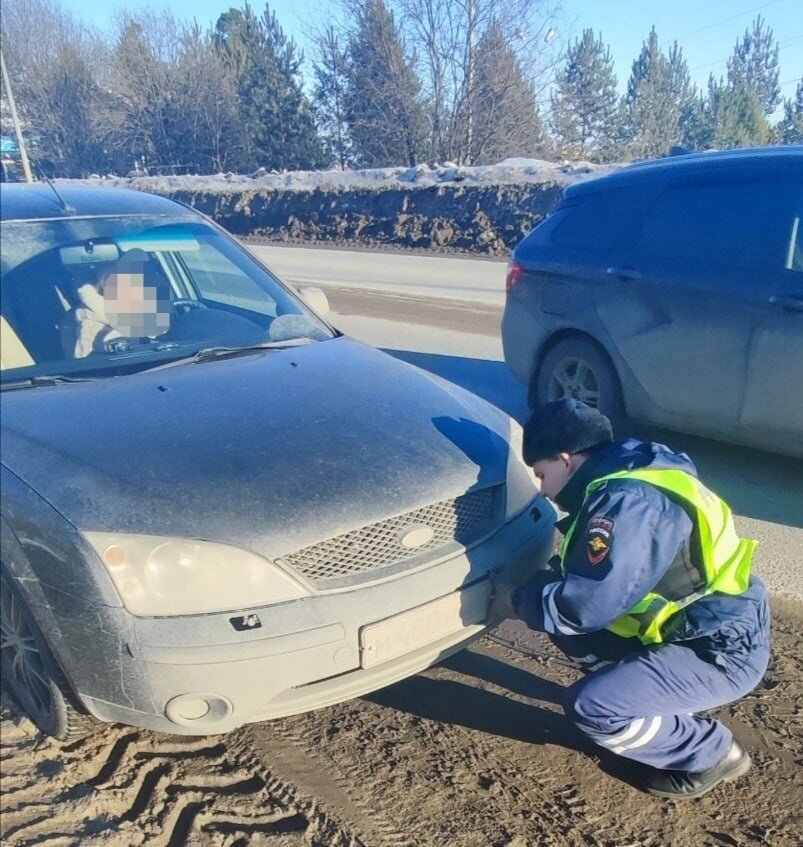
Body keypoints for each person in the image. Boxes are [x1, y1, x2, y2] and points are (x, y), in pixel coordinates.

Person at [491, 399, 770, 799]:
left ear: (566, 460)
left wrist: (516, 601)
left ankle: (710, 752)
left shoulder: (627, 503)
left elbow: (581, 607)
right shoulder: (637, 475)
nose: (541, 487)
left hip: (719, 653)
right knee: (559, 616)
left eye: (541, 473)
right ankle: (645, 698)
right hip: (702, 631)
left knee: (593, 707)